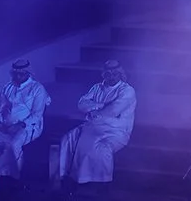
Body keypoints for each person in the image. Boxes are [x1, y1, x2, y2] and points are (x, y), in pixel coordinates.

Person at [58, 58, 137, 186]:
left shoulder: (127, 90)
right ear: (103, 74)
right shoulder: (97, 88)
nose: (111, 77)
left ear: (120, 74)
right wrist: (100, 105)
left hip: (115, 131)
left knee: (99, 149)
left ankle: (101, 184)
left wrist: (94, 108)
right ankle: (66, 177)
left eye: (114, 74)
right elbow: (81, 104)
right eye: (108, 74)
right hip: (91, 126)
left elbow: (113, 110)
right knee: (68, 139)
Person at [0, 58, 50, 185]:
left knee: (13, 144)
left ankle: (13, 177)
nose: (18, 76)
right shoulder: (8, 87)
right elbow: (0, 109)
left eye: (21, 74)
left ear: (28, 73)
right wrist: (0, 123)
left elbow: (37, 115)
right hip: (3, 126)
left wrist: (19, 125)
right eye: (16, 74)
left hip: (28, 127)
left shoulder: (38, 89)